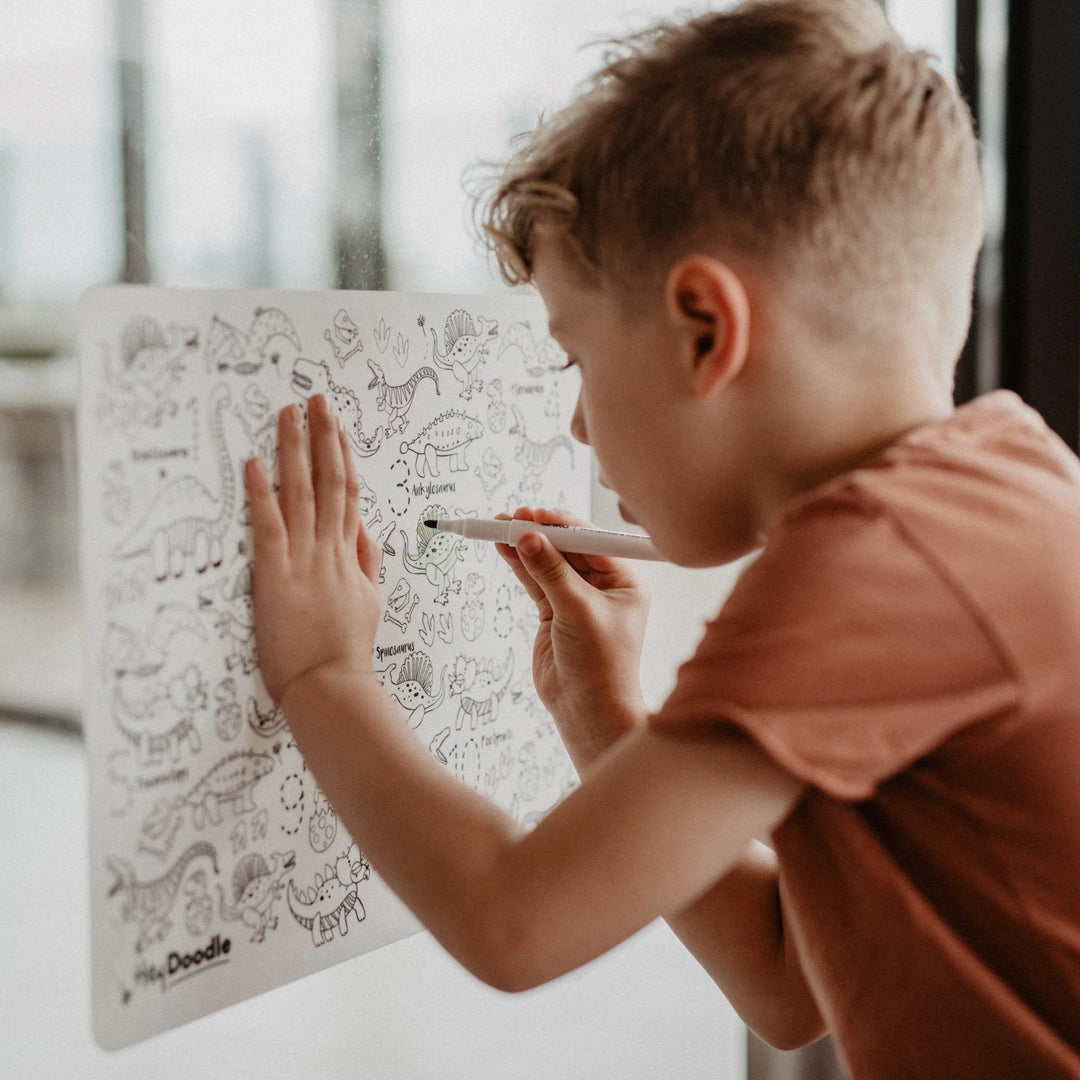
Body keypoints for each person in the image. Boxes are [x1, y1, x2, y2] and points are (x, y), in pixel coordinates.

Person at [243, 0, 1080, 1075]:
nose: (580, 424)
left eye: (576, 358)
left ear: (706, 328)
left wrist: (319, 671)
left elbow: (515, 921)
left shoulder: (876, 561)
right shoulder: (1006, 480)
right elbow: (787, 979)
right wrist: (607, 720)